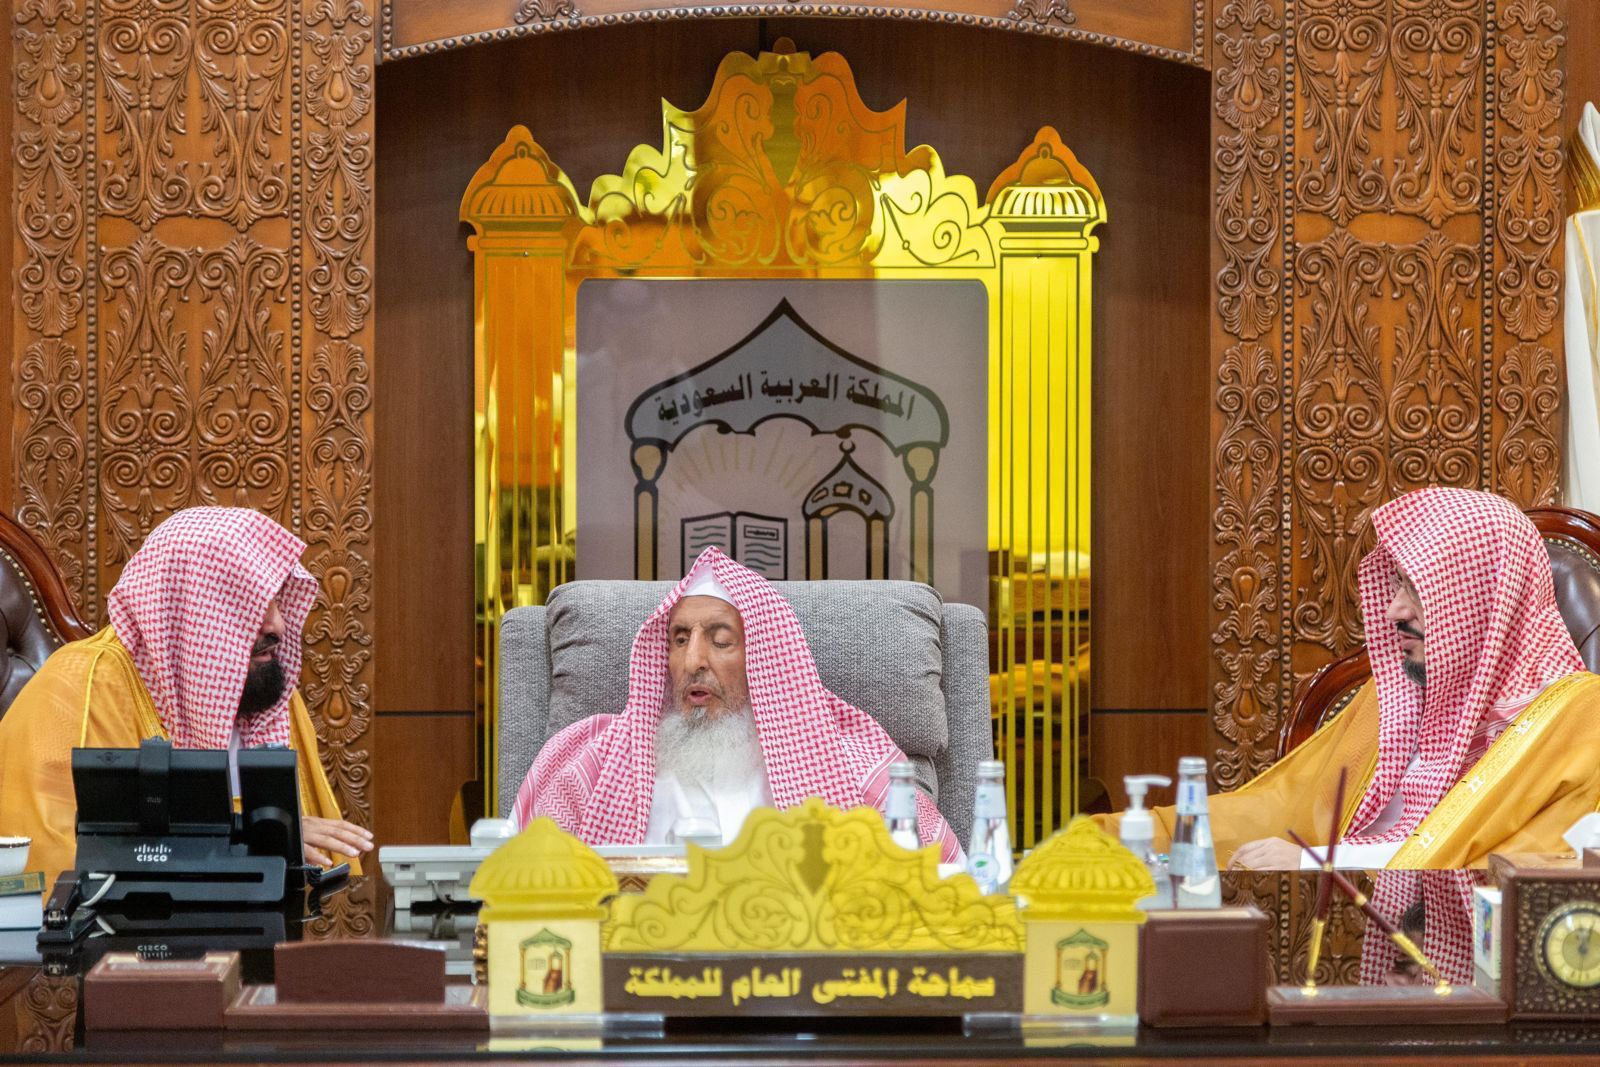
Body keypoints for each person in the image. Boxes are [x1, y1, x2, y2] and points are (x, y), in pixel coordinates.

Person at [1100, 487, 1600, 871]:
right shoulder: (1396, 695)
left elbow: (1520, 866)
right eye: (1396, 585)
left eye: (1418, 589)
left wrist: (1318, 863)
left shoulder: (1580, 720)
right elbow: (1282, 808)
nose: (1394, 611)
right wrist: (1113, 839)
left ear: (1482, 602)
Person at [512, 546, 964, 861]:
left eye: (720, 640)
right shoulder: (594, 760)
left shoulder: (850, 765)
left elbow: (947, 883)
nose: (693, 661)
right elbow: (517, 890)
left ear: (763, 659)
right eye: (680, 639)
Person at [0, 507, 372, 879]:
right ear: (193, 607)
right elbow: (61, 871)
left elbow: (323, 868)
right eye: (253, 605)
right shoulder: (80, 687)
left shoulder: (264, 691)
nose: (278, 625)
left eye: (276, 601)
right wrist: (247, 839)